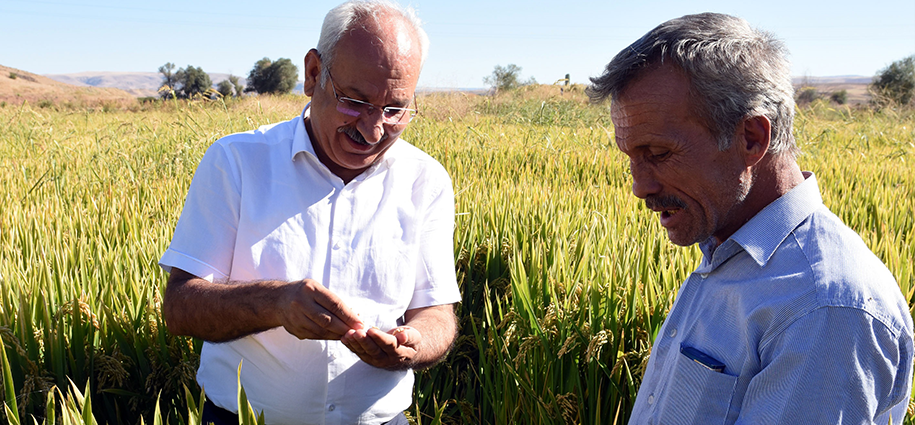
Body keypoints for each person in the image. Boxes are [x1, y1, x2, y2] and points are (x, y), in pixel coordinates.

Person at [588, 13, 913, 424]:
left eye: (659, 154)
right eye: (631, 158)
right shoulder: (727, 251)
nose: (640, 187)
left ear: (752, 138)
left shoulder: (822, 309)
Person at [158, 1, 461, 424]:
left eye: (395, 109)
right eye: (355, 101)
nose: (373, 129)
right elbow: (180, 306)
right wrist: (276, 303)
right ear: (314, 73)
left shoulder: (426, 181)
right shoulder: (237, 161)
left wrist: (413, 343)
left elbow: (436, 313)